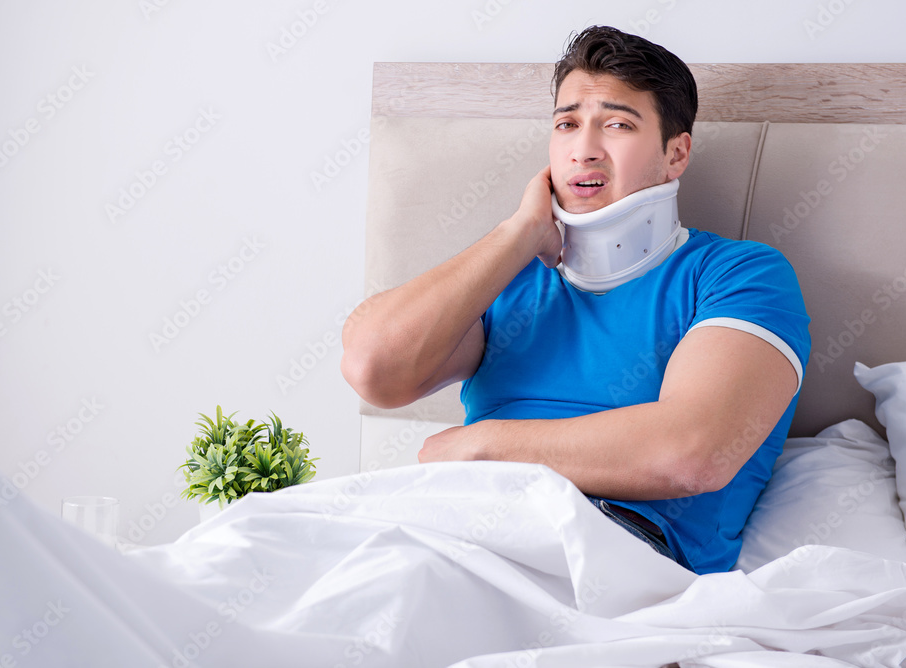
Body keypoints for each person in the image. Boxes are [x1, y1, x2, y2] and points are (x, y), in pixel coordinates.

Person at [340, 25, 810, 575]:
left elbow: (692, 453)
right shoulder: (508, 277)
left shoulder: (738, 275)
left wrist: (482, 446)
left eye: (617, 124)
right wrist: (518, 233)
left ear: (676, 153)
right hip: (444, 522)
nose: (584, 149)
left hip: (606, 548)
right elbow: (373, 368)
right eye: (567, 124)